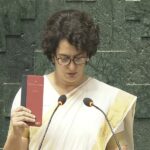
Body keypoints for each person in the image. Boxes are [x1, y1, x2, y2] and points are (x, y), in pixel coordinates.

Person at [4, 9, 137, 150]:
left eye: (79, 58)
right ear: (52, 55)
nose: (72, 67)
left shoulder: (110, 100)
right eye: (64, 58)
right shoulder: (33, 93)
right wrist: (16, 134)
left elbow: (119, 146)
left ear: (88, 55)